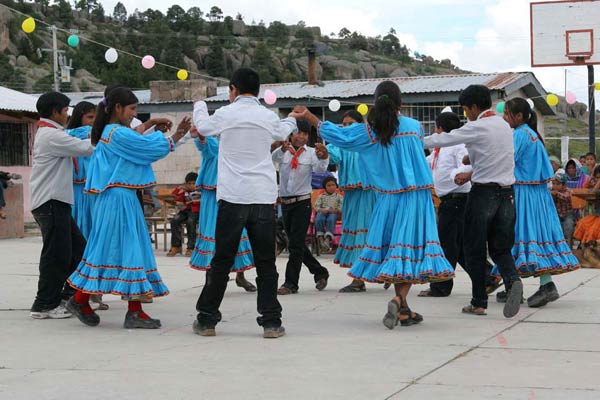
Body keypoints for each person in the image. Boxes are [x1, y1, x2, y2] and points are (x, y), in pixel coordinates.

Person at [292, 81, 455, 329]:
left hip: (387, 197)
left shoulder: (370, 131)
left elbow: (341, 135)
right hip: (417, 197)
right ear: (401, 103)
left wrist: (311, 117)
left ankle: (403, 309)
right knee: (408, 250)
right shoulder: (414, 127)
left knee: (396, 250)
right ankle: (400, 299)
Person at [66, 87, 192, 329]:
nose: (134, 113)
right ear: (117, 108)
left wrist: (154, 126)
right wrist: (176, 136)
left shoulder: (112, 131)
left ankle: (85, 300)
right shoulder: (115, 133)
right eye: (132, 109)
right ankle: (127, 309)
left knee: (112, 249)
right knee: (128, 249)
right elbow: (145, 149)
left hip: (118, 197)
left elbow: (136, 139)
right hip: (118, 199)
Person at [192, 68, 298, 339]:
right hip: (262, 197)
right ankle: (271, 322)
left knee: (221, 261)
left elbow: (203, 127)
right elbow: (285, 128)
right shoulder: (266, 116)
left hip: (233, 197)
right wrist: (293, 119)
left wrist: (200, 104)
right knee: (266, 262)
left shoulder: (227, 113)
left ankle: (207, 320)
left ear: (233, 90)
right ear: (259, 91)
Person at [424, 84, 523, 318]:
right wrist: (471, 158)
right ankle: (512, 280)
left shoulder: (476, 126)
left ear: (475, 107)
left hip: (483, 194)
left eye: (466, 109)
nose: (465, 114)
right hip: (508, 193)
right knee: (500, 248)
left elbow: (443, 139)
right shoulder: (504, 125)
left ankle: (479, 302)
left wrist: (410, 136)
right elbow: (493, 153)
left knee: (474, 249)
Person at [492, 98, 579, 308]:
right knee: (536, 237)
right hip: (538, 195)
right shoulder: (533, 136)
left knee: (517, 236)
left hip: (523, 193)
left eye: (507, 114)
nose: (504, 118)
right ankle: (524, 284)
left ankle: (542, 284)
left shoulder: (520, 134)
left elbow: (506, 159)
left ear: (519, 116)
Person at [29, 92, 95, 320]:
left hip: (57, 202)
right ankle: (44, 304)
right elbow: (87, 148)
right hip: (51, 202)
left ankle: (68, 296)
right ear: (55, 111)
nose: (68, 115)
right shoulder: (50, 135)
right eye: (66, 110)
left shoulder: (53, 133)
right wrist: (110, 134)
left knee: (78, 250)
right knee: (56, 255)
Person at [189, 128, 257, 292]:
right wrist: (201, 135)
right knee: (213, 233)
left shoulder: (236, 145)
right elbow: (204, 146)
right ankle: (211, 279)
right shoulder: (213, 143)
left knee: (239, 232)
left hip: (233, 193)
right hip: (213, 195)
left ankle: (240, 276)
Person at [271, 120, 330, 295]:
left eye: (305, 134)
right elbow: (272, 159)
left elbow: (320, 170)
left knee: (295, 244)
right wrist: (281, 148)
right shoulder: (283, 152)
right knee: (296, 244)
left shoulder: (311, 153)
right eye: (298, 132)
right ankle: (319, 272)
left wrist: (324, 156)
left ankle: (291, 284)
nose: (301, 136)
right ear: (290, 134)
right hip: (285, 204)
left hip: (302, 203)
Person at [418, 111, 470, 298]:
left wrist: (456, 176)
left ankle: (441, 286)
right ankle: (488, 277)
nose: (434, 131)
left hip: (457, 199)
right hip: (448, 201)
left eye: (436, 127)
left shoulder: (457, 145)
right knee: (461, 246)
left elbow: (466, 164)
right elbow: (425, 163)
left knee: (446, 245)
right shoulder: (439, 150)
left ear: (441, 129)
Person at [327, 110, 377, 293]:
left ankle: (366, 277)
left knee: (369, 232)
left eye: (351, 124)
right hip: (351, 194)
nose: (347, 127)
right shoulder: (342, 143)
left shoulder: (367, 139)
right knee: (355, 232)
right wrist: (324, 151)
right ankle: (360, 277)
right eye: (344, 125)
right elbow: (334, 155)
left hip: (368, 191)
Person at [66, 101, 108, 311]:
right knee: (81, 242)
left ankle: (94, 293)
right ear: (79, 117)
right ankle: (77, 291)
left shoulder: (98, 136)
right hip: (77, 194)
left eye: (94, 118)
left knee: (94, 242)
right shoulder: (72, 135)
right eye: (89, 117)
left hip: (93, 194)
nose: (92, 122)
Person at [167, 172, 200, 257]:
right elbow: (174, 196)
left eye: (194, 183)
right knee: (174, 220)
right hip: (185, 211)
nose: (191, 186)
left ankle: (190, 247)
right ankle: (176, 246)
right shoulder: (184, 191)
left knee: (190, 222)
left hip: (196, 212)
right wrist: (179, 188)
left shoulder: (200, 191)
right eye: (189, 184)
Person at [573, 165, 600, 267]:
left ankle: (592, 253)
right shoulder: (595, 185)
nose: (598, 180)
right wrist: (591, 177)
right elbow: (585, 188)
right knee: (582, 223)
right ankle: (586, 251)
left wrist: (597, 183)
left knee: (593, 229)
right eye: (597, 178)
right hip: (596, 215)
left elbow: (593, 192)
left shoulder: (597, 188)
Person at [313, 176, 343, 253]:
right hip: (323, 212)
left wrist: (337, 210)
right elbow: (316, 206)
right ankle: (320, 237)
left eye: (333, 185)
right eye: (328, 186)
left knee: (331, 219)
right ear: (325, 187)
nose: (331, 187)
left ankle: (328, 238)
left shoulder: (339, 196)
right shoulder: (321, 196)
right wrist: (321, 210)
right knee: (319, 218)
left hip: (334, 213)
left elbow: (342, 206)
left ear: (336, 186)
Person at [551, 172, 575, 245]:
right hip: (557, 214)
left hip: (568, 214)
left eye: (558, 184)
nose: (555, 186)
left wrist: (556, 194)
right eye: (554, 184)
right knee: (553, 223)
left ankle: (568, 242)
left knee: (569, 223)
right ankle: (557, 242)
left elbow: (566, 197)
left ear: (564, 185)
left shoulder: (568, 191)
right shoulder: (552, 191)